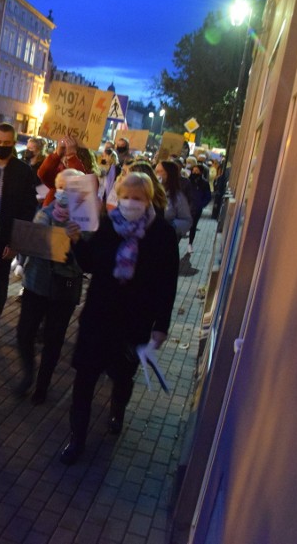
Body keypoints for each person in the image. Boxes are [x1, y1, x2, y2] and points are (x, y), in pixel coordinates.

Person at [60, 173, 179, 464]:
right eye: (125, 197)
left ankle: (118, 409)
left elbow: (167, 284)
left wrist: (160, 326)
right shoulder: (110, 225)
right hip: (98, 316)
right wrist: (76, 241)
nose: (129, 203)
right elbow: (91, 263)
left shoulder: (162, 233)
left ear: (148, 200)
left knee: (122, 376)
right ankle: (76, 439)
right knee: (84, 379)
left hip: (133, 321)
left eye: (136, 198)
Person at [16, 169, 89, 403]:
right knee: (24, 333)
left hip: (63, 290)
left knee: (53, 339)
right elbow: (29, 244)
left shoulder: (86, 223)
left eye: (70, 189)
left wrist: (74, 248)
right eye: (61, 188)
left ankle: (42, 386)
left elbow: (89, 260)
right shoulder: (44, 214)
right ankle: (28, 373)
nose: (64, 193)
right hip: (37, 284)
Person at [0, 123, 38, 345]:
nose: (1, 146)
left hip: (6, 237)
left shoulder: (23, 171)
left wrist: (16, 242)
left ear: (13, 144)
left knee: (1, 283)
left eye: (6, 143)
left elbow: (27, 210)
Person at [37, 135, 87, 206]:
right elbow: (43, 174)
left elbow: (78, 181)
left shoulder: (90, 175)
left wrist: (72, 157)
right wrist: (57, 154)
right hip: (51, 212)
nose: (65, 159)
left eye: (67, 157)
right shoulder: (60, 172)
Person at [154, 160, 192, 239]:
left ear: (169, 174)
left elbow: (186, 221)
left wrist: (170, 227)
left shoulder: (178, 197)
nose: (156, 174)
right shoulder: (151, 192)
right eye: (156, 171)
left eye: (160, 171)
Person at [186, 161, 212, 253]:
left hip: (196, 208)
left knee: (193, 226)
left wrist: (201, 204)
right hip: (186, 207)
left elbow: (208, 196)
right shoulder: (188, 181)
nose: (194, 172)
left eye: (196, 171)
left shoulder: (204, 183)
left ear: (201, 172)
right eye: (193, 170)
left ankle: (190, 244)